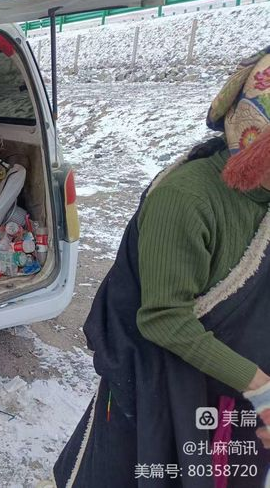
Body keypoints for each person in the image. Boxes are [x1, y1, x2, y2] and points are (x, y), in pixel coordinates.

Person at [54, 47, 270, 487]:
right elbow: (164, 319)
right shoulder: (186, 200)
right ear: (254, 142)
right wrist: (261, 389)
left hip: (238, 388)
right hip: (168, 379)